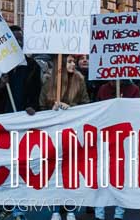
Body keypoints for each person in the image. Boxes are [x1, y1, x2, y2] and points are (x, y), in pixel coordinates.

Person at [40, 56, 89, 220]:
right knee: (55, 170)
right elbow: (41, 106)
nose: (73, 64)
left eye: (74, 62)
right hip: (54, 133)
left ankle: (70, 208)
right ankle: (55, 208)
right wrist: (51, 108)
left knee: (71, 171)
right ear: (60, 64)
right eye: (69, 61)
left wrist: (71, 108)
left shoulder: (79, 81)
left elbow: (86, 104)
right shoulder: (49, 83)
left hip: (73, 131)